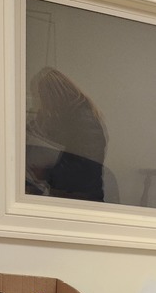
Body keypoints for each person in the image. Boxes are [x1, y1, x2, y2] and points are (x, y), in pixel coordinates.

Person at [26, 66, 108, 202]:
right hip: (74, 195)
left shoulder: (82, 120)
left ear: (53, 96)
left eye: (42, 97)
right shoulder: (70, 116)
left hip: (82, 199)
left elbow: (86, 168)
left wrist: (46, 173)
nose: (40, 103)